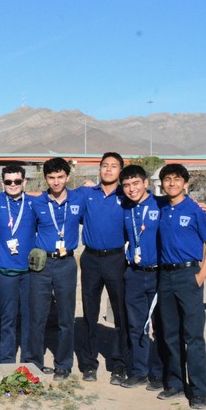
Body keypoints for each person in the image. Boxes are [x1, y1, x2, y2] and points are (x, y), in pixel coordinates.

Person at [156, 163, 206, 410]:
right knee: (170, 334)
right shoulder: (160, 207)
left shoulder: (195, 210)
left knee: (193, 335)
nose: (171, 183)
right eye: (167, 179)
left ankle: (199, 390)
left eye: (176, 179)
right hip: (165, 277)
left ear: (186, 184)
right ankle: (176, 384)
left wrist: (201, 275)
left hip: (188, 274)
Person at [30, 157, 86, 380]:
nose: (55, 182)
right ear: (45, 178)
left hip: (67, 264)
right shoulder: (37, 203)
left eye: (60, 177)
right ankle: (34, 361)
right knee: (37, 317)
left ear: (68, 177)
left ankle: (63, 364)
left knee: (65, 317)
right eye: (51, 178)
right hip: (42, 265)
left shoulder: (79, 200)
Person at [78, 152, 129, 384]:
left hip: (116, 259)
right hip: (90, 259)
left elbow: (158, 200)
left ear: (121, 170)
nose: (108, 170)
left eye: (114, 166)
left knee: (120, 313)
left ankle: (119, 364)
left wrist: (198, 205)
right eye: (105, 166)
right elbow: (53, 195)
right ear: (99, 169)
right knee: (90, 313)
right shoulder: (87, 194)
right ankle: (89, 363)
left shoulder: (128, 194)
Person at [0, 163, 41, 368]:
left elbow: (58, 198)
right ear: (3, 183)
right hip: (5, 271)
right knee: (7, 317)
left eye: (17, 181)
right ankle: (6, 360)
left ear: (24, 182)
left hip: (29, 271)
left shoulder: (35, 203)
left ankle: (28, 360)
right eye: (8, 181)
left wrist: (88, 187)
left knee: (29, 317)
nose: (13, 185)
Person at [119, 165, 166, 391]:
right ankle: (139, 371)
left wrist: (200, 206)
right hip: (135, 274)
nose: (131, 189)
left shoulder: (162, 204)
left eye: (136, 183)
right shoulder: (125, 208)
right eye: (126, 185)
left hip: (158, 273)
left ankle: (158, 372)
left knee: (160, 325)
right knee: (136, 324)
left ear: (146, 183)